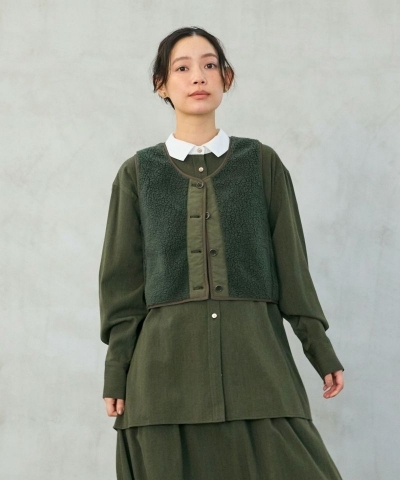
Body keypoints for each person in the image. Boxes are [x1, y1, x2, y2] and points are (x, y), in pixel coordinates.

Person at [99, 26, 345, 480]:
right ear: (161, 85)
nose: (198, 76)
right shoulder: (137, 175)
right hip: (162, 387)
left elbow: (293, 269)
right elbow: (122, 287)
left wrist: (320, 349)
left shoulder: (262, 164)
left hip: (258, 370)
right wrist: (116, 371)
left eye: (209, 65)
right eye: (182, 67)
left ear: (226, 78)